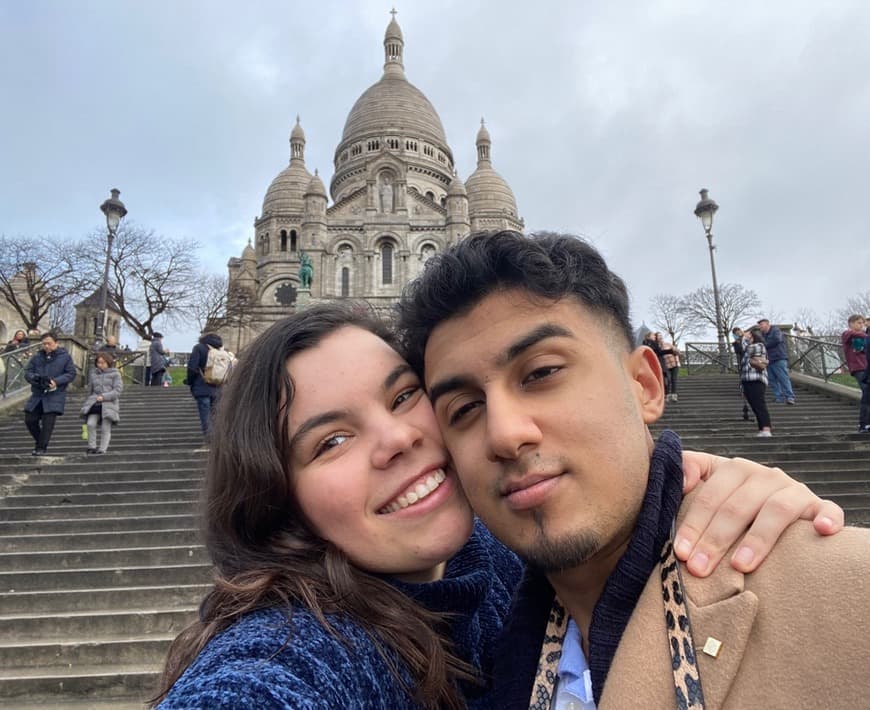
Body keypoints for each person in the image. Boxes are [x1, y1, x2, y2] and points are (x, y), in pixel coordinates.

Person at [153, 303, 842, 709]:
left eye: (403, 396)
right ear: (276, 494)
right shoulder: (290, 652)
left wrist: (696, 488)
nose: (398, 439)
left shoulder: (501, 562)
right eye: (331, 440)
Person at [397, 230, 868, 708]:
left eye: (541, 373)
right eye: (463, 409)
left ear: (645, 384)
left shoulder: (852, 595)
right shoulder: (488, 654)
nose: (503, 434)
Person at [23, 332, 77, 455]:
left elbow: (71, 373)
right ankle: (40, 442)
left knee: (48, 423)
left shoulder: (65, 357)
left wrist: (56, 382)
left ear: (56, 343)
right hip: (38, 393)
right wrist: (36, 378)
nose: (46, 346)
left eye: (49, 343)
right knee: (30, 419)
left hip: (55, 395)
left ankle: (41, 448)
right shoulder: (37, 357)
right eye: (44, 344)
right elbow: (28, 372)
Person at [80, 352, 123, 454]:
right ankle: (92, 446)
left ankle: (102, 449)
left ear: (108, 362)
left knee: (105, 428)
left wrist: (104, 396)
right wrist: (88, 403)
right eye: (98, 363)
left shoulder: (115, 374)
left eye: (103, 363)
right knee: (90, 424)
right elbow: (90, 390)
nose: (100, 365)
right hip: (95, 403)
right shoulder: (93, 374)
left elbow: (117, 390)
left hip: (109, 404)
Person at [185, 332, 224, 437]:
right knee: (216, 415)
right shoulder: (221, 350)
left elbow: (192, 367)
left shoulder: (199, 348)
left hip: (202, 386)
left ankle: (209, 439)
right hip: (218, 387)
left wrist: (189, 381)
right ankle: (218, 438)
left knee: (205, 415)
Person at [740, 327, 773, 437]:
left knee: (759, 404)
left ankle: (766, 428)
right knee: (754, 405)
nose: (746, 336)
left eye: (748, 335)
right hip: (747, 379)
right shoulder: (748, 346)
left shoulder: (759, 345)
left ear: (753, 337)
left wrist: (744, 339)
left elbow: (748, 350)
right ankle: (761, 429)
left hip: (757, 379)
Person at [841, 314, 869, 433]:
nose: (861, 325)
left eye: (862, 323)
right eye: (859, 323)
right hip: (857, 367)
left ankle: (865, 423)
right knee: (867, 393)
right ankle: (864, 424)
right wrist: (866, 335)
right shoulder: (847, 334)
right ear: (851, 323)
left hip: (866, 367)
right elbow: (852, 334)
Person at [757, 318, 796, 404]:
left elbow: (776, 340)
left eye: (761, 325)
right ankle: (778, 397)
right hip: (769, 359)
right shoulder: (763, 334)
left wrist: (764, 345)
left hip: (778, 358)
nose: (760, 327)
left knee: (783, 378)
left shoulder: (775, 330)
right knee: (772, 379)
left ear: (767, 324)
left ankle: (789, 397)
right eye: (759, 325)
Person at [731, 326, 751, 421]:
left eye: (739, 331)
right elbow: (738, 351)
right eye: (736, 333)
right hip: (742, 361)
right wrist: (738, 341)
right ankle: (743, 391)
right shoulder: (736, 342)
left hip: (751, 360)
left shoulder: (748, 337)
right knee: (742, 376)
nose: (738, 333)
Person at [660, 335, 680, 402]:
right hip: (666, 366)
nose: (661, 338)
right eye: (659, 337)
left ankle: (674, 395)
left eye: (661, 336)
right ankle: (668, 395)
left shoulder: (668, 344)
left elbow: (676, 352)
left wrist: (677, 358)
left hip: (674, 364)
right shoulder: (659, 347)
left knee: (673, 379)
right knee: (668, 380)